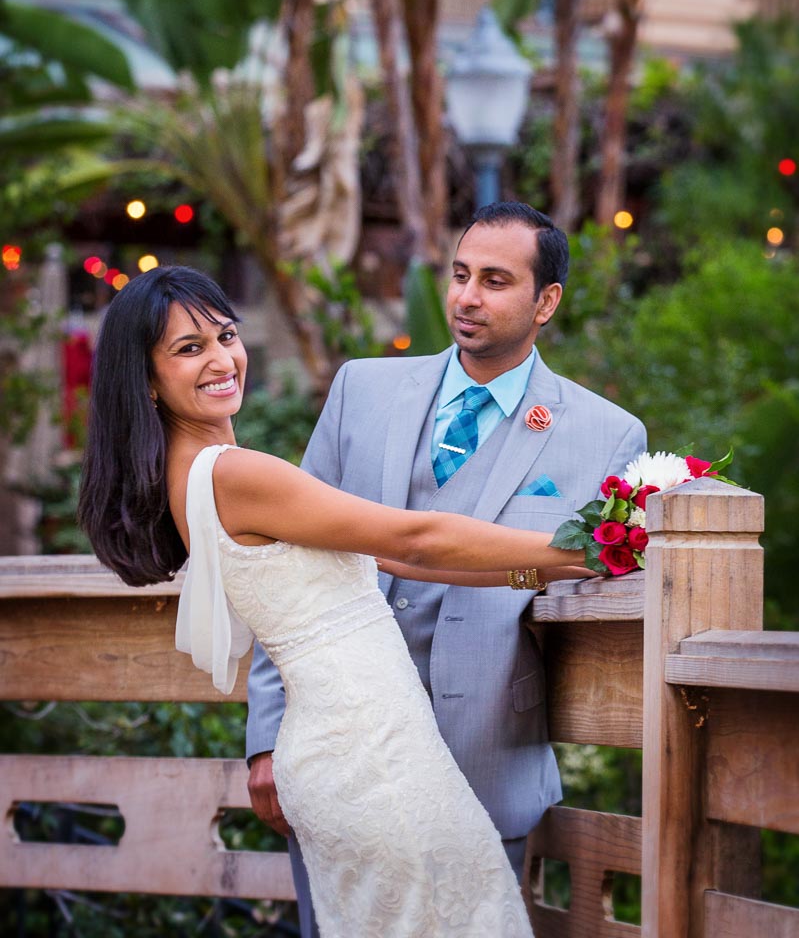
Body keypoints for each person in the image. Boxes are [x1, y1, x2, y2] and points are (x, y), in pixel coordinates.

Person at [78, 262, 593, 938]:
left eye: (225, 336)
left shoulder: (195, 476)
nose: (221, 359)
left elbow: (394, 559)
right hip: (371, 760)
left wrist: (545, 574)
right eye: (188, 348)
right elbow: (416, 534)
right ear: (146, 379)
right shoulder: (237, 474)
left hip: (351, 753)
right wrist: (586, 550)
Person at [247, 201, 647, 937]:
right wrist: (268, 737)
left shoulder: (605, 436)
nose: (466, 297)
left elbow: (594, 574)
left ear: (545, 301)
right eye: (461, 275)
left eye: (495, 280)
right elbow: (285, 569)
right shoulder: (360, 392)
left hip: (481, 761)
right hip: (338, 752)